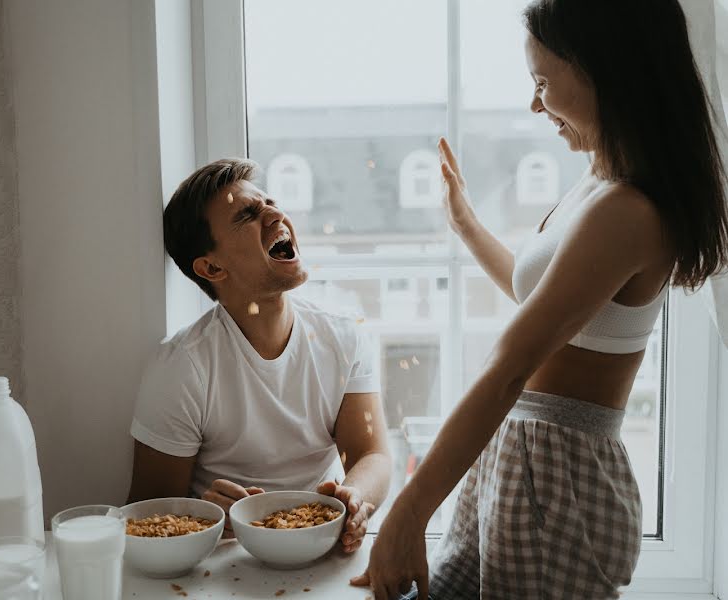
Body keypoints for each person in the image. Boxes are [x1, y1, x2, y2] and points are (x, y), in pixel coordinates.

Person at [353, 0, 728, 598]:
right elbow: (552, 311)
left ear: (606, 72)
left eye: (542, 83)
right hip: (526, 459)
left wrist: (410, 509)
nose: (534, 104)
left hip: (559, 479)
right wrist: (469, 227)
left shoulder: (626, 210)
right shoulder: (600, 182)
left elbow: (509, 366)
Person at [127, 159, 392, 552]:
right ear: (212, 266)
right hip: (221, 563)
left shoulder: (343, 338)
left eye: (270, 201)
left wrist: (354, 497)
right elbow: (142, 515)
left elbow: (371, 454)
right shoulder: (182, 367)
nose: (275, 213)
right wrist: (203, 515)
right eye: (248, 215)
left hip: (318, 549)